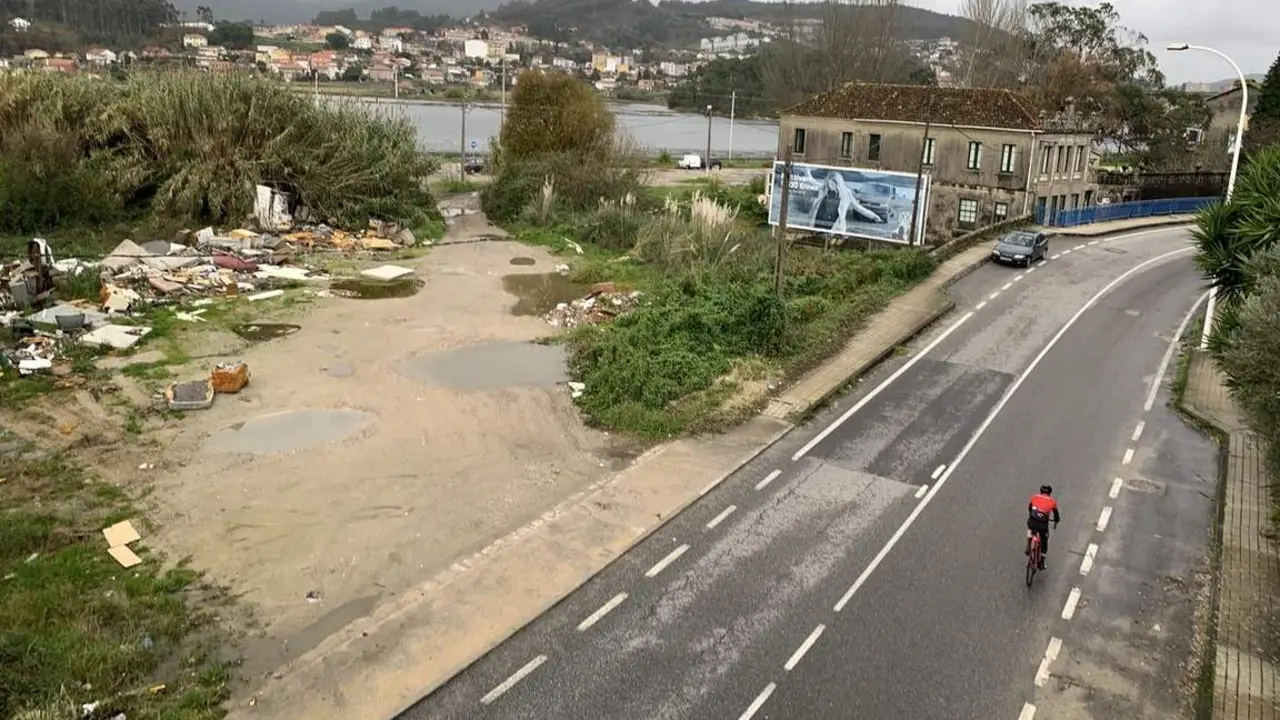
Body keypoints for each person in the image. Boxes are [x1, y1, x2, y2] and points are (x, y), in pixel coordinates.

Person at [1026, 485, 1060, 570]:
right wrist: (1056, 522)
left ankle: (1029, 543)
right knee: (1044, 541)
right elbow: (1056, 515)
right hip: (1042, 524)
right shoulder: (1052, 501)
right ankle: (1041, 563)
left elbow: (1030, 508)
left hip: (1032, 521)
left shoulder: (1034, 497)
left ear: (1040, 491)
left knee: (1030, 529)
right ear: (1049, 493)